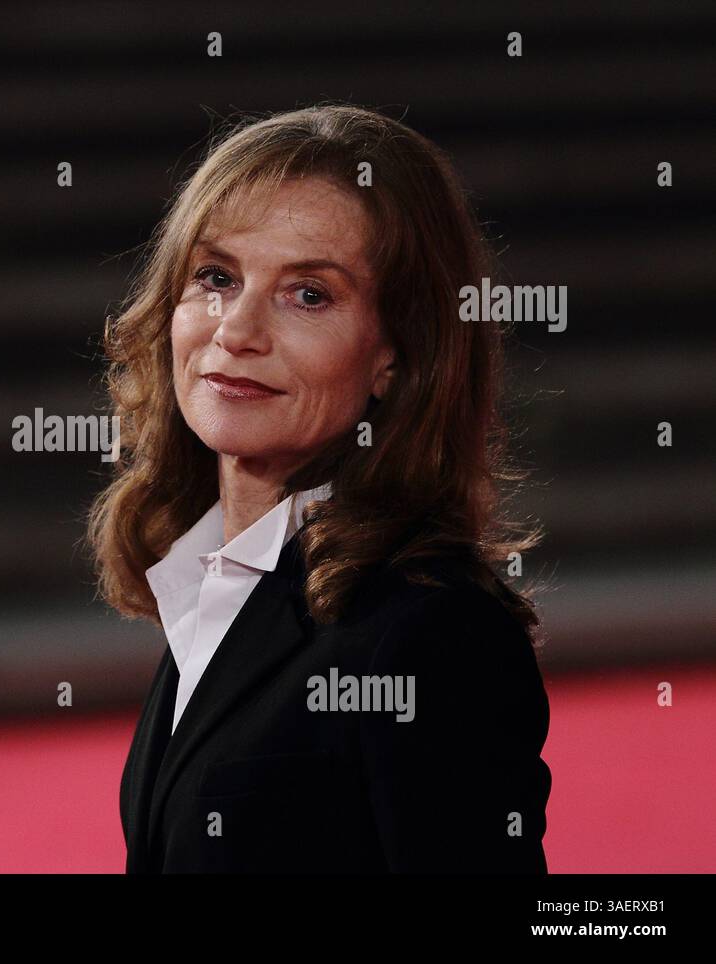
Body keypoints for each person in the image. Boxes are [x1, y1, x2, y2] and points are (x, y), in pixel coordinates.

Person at [87, 104, 553, 873]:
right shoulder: (220, 586)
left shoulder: (431, 632)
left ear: (396, 357)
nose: (236, 330)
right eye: (215, 277)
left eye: (309, 294)